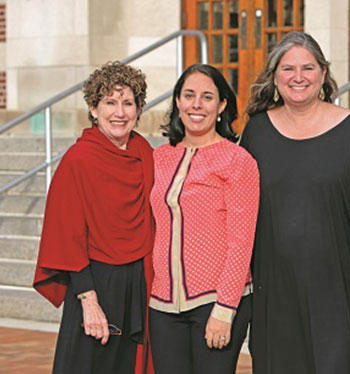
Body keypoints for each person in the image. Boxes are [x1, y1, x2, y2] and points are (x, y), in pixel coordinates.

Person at [241, 31, 350, 374]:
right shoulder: (256, 131)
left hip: (337, 287)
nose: (298, 77)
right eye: (288, 68)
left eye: (307, 67)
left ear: (323, 74)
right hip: (273, 289)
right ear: (274, 76)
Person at [33, 61, 155, 373]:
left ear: (139, 109)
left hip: (139, 280)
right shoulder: (78, 160)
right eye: (110, 103)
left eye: (128, 103)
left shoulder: (144, 152)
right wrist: (89, 301)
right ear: (93, 108)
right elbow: (67, 236)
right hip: (93, 281)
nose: (120, 113)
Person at [148, 64, 259, 374]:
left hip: (214, 303)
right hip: (163, 305)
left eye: (207, 97)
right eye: (189, 95)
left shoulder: (237, 160)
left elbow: (242, 242)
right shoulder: (160, 157)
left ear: (222, 105)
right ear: (178, 102)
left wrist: (225, 309)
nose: (196, 104)